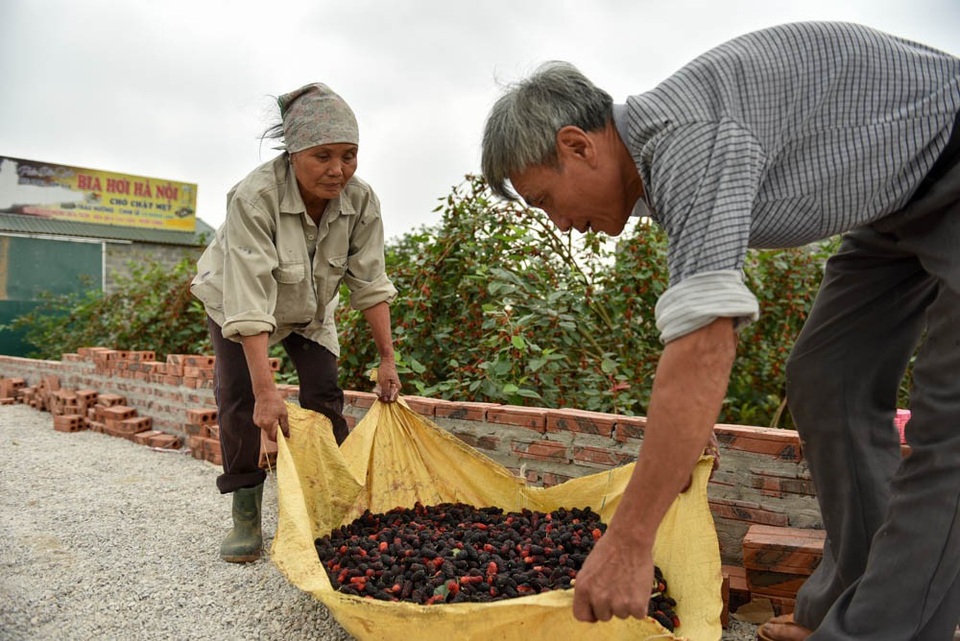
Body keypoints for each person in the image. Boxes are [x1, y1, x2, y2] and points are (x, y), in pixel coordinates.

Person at [481, 21, 960, 641]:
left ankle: (882, 630)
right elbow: (695, 326)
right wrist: (683, 433)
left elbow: (706, 343)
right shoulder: (659, 165)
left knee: (950, 425)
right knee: (827, 377)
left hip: (949, 161)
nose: (561, 224)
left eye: (547, 200)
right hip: (893, 203)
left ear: (578, 145)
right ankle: (853, 602)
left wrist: (630, 539)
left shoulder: (689, 143)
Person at [191, 82, 402, 564]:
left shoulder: (360, 201)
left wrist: (387, 359)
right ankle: (246, 514)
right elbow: (248, 300)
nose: (338, 170)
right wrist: (267, 393)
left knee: (325, 393)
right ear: (293, 154)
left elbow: (371, 282)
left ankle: (332, 506)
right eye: (323, 156)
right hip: (237, 302)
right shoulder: (254, 196)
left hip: (309, 309)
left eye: (349, 155)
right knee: (241, 400)